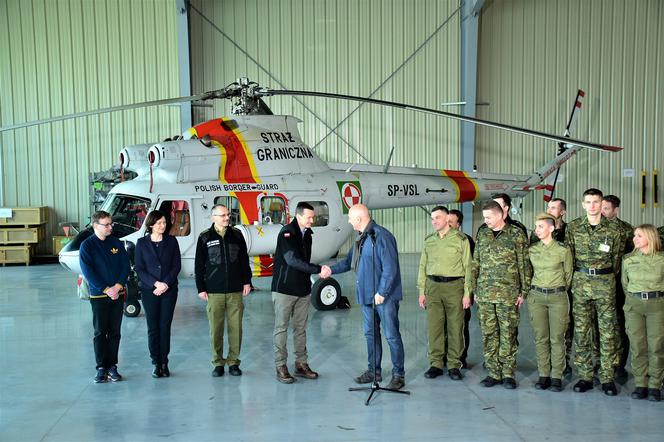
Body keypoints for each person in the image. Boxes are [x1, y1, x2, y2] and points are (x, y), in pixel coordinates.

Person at [329, 204, 406, 390]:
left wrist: (381, 292)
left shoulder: (382, 236)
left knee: (391, 335)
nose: (348, 221)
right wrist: (329, 270)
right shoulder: (360, 239)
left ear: (359, 218)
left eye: (350, 218)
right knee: (371, 335)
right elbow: (349, 262)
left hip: (383, 298)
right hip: (365, 297)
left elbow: (390, 268)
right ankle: (374, 371)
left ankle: (398, 374)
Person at [565, 188, 624, 396]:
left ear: (601, 204)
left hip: (605, 283)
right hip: (581, 283)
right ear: (583, 204)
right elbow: (569, 257)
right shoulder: (573, 228)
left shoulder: (613, 230)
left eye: (596, 202)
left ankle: (607, 377)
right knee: (582, 332)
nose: (592, 206)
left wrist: (604, 275)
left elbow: (616, 260)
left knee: (607, 331)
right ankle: (585, 376)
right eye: (588, 202)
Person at [466, 200, 530, 389]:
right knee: (488, 334)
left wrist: (523, 291)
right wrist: (474, 289)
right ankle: (494, 373)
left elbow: (523, 264)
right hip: (485, 294)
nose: (486, 221)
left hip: (508, 294)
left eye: (489, 217)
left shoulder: (516, 234)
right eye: (484, 217)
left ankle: (509, 373)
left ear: (501, 214)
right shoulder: (483, 234)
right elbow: (476, 263)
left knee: (508, 334)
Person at [271, 202, 328, 384]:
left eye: (313, 217)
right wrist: (318, 269)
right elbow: (292, 260)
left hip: (302, 289)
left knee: (300, 329)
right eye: (309, 217)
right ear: (299, 216)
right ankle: (281, 366)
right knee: (281, 328)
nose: (312, 220)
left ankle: (301, 364)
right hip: (285, 289)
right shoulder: (287, 233)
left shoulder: (308, 234)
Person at [195, 205, 252, 377]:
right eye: (223, 215)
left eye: (228, 214)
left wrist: (247, 282)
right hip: (214, 291)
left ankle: (234, 362)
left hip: (235, 290)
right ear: (213, 217)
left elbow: (244, 260)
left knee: (236, 328)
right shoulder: (205, 237)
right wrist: (201, 287)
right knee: (216, 329)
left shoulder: (237, 235)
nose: (227, 218)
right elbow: (199, 264)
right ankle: (218, 363)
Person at [417, 206, 471, 380]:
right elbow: (422, 266)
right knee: (435, 328)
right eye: (432, 219)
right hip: (433, 287)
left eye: (438, 218)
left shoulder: (461, 239)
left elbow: (469, 267)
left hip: (454, 287)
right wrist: (421, 291)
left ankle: (454, 364)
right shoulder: (429, 240)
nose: (434, 222)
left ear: (447, 218)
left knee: (456, 327)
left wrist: (467, 293)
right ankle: (436, 363)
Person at [79, 210, 131, 383]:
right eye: (106, 224)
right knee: (100, 332)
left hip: (117, 294)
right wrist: (105, 289)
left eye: (111, 224)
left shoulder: (116, 243)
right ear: (96, 226)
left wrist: (118, 286)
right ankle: (101, 367)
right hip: (99, 296)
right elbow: (88, 271)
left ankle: (113, 366)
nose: (110, 227)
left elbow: (125, 266)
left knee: (115, 331)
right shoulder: (87, 246)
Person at [527, 213, 573, 392]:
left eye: (540, 227)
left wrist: (557, 287)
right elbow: (529, 272)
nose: (537, 230)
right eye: (536, 227)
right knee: (541, 338)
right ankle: (543, 374)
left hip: (557, 298)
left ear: (551, 229)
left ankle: (556, 376)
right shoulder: (532, 250)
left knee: (557, 338)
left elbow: (568, 275)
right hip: (536, 297)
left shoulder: (563, 250)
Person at [134, 210, 181, 378]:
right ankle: (155, 362)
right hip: (149, 290)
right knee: (152, 328)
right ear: (151, 224)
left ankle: (164, 362)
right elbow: (139, 268)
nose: (163, 225)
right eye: (159, 223)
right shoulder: (141, 243)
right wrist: (155, 284)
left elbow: (176, 266)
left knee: (164, 326)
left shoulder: (172, 241)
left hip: (169, 290)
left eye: (164, 222)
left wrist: (165, 284)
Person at [621, 224, 664, 402]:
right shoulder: (628, 260)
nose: (634, 239)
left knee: (657, 346)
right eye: (634, 236)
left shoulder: (662, 260)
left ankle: (655, 385)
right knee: (638, 347)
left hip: (657, 305)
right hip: (634, 305)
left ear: (650, 237)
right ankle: (641, 384)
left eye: (639, 236)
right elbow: (625, 284)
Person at [601, 194, 634, 379]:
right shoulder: (594, 228)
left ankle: (619, 364)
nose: (603, 212)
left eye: (606, 208)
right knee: (601, 325)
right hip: (599, 284)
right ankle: (601, 361)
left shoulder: (626, 230)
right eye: (601, 208)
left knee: (619, 325)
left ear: (615, 210)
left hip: (619, 284)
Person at [449, 209, 474, 367]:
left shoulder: (466, 241)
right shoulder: (437, 239)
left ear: (458, 225)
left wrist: (468, 293)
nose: (447, 224)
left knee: (460, 326)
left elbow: (471, 269)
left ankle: (460, 357)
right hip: (443, 291)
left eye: (451, 222)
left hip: (460, 289)